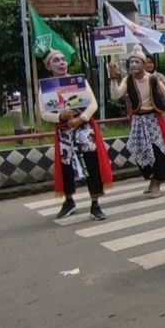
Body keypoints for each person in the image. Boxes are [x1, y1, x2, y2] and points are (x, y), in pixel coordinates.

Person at [38, 50, 112, 220]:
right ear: (49, 66)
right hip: (64, 131)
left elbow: (93, 104)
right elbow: (43, 112)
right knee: (66, 167)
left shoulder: (79, 82)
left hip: (84, 129)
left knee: (92, 164)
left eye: (63, 59)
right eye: (56, 60)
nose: (62, 63)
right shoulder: (46, 87)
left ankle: (95, 204)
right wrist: (59, 117)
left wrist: (81, 118)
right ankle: (69, 200)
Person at [110, 47, 165, 198]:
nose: (134, 64)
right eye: (131, 61)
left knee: (157, 151)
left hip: (153, 120)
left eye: (137, 61)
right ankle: (152, 179)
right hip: (138, 121)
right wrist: (113, 78)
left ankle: (157, 183)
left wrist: (157, 103)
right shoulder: (128, 79)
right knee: (139, 150)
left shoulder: (153, 79)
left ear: (144, 63)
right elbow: (116, 95)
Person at [144, 53, 165, 128]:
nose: (149, 65)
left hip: (163, 114)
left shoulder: (160, 77)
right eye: (146, 63)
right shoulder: (140, 80)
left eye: (151, 62)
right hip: (147, 116)